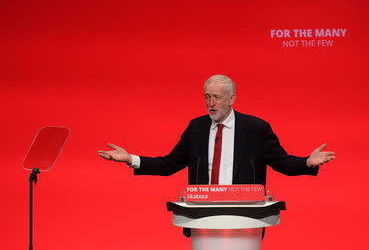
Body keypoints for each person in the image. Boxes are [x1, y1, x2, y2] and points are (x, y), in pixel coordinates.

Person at [98, 75, 335, 186]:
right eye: (207, 97)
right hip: (204, 215)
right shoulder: (196, 128)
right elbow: (168, 165)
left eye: (217, 98)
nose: (211, 103)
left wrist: (307, 163)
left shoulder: (256, 129)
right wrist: (131, 159)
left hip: (244, 217)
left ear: (232, 98)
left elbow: (282, 163)